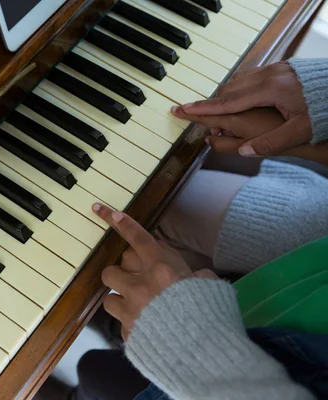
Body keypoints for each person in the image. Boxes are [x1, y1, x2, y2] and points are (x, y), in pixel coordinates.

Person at [72, 58, 328, 400]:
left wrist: (189, 345)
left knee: (97, 373)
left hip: (242, 377)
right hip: (314, 263)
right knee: (146, 211)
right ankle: (117, 326)